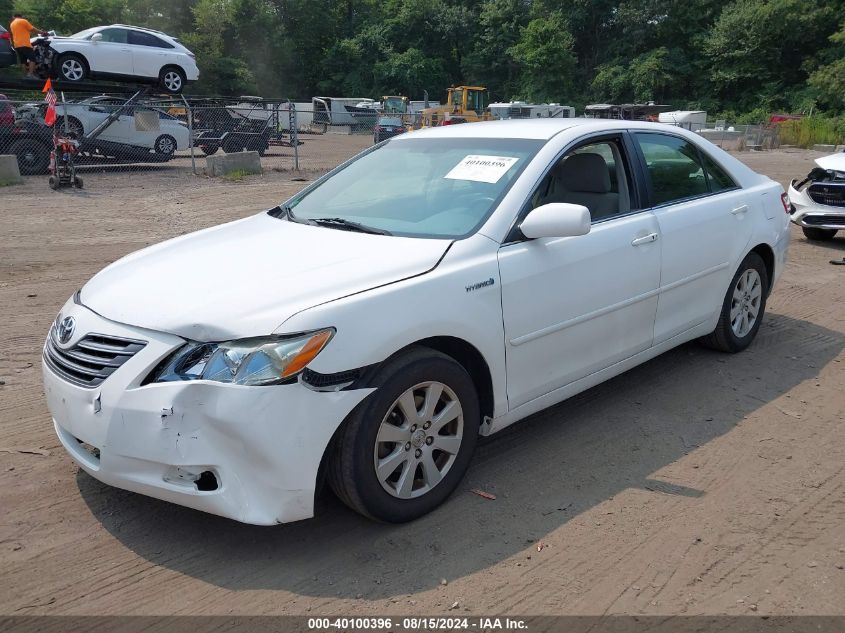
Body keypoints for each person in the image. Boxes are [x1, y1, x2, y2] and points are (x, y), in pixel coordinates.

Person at [10, 13, 44, 78]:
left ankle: (25, 75)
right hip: (25, 44)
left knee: (23, 61)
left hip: (17, 45)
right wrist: (41, 32)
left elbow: (23, 31)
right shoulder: (23, 21)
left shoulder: (12, 24)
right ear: (21, 16)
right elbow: (32, 29)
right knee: (33, 59)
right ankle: (30, 74)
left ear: (13, 17)